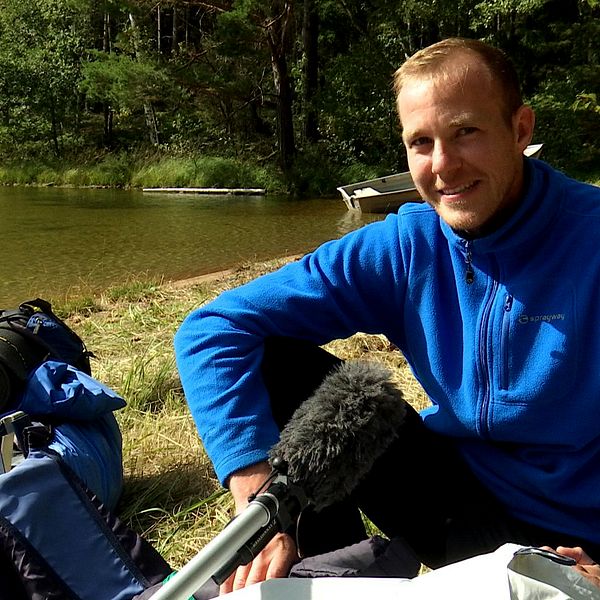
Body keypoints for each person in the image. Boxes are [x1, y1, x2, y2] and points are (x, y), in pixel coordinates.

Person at [174, 37, 600, 595]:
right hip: (462, 504)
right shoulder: (406, 244)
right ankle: (314, 570)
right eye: (421, 142)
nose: (443, 166)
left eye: (466, 131)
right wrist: (260, 504)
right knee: (277, 362)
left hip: (581, 539)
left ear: (520, 130)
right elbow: (212, 329)